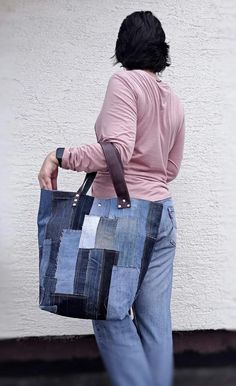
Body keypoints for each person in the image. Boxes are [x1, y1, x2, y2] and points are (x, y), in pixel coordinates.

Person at [38, 10, 185, 386]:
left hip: (117, 218)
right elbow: (170, 169)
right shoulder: (174, 100)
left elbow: (116, 151)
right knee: (155, 320)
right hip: (161, 214)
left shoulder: (124, 84)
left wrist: (60, 155)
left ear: (123, 47)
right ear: (160, 49)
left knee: (105, 308)